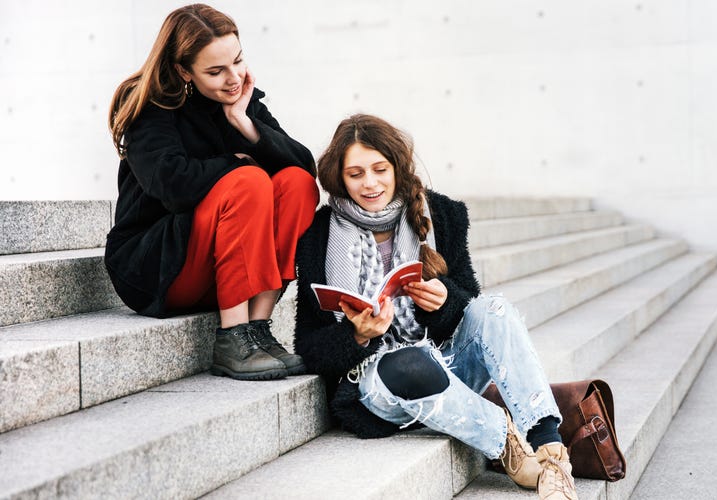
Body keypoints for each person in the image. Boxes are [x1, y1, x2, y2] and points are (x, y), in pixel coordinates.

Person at [294, 114, 577, 499]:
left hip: (448, 365)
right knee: (408, 361)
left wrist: (445, 301)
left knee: (493, 308)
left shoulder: (440, 213)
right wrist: (356, 334)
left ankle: (548, 445)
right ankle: (509, 447)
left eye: (380, 169)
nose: (371, 183)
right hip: (380, 387)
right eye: (356, 174)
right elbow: (308, 347)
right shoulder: (318, 235)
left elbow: (469, 306)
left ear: (397, 167)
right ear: (339, 178)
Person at [105, 4, 318, 381]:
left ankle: (257, 329)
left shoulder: (241, 100)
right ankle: (232, 338)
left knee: (295, 183)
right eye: (216, 71)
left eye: (238, 61)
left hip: (225, 269)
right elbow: (172, 185)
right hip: (159, 266)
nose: (234, 78)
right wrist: (236, 165)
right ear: (183, 70)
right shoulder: (149, 106)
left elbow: (303, 166)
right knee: (248, 180)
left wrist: (244, 122)